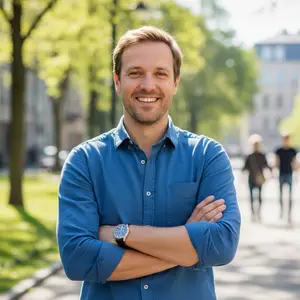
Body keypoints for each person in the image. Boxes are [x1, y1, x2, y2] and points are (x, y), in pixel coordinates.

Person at [57, 26, 241, 300]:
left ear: (175, 82)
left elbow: (221, 245)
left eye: (160, 73)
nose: (147, 85)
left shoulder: (207, 156)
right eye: (135, 73)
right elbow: (78, 259)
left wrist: (121, 234)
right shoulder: (84, 161)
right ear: (118, 81)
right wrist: (187, 242)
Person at [242, 134, 271, 222]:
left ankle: (258, 213)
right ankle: (253, 214)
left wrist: (269, 174)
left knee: (259, 197)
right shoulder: (249, 156)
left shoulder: (262, 155)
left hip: (259, 180)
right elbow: (245, 168)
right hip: (251, 179)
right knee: (251, 197)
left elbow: (266, 166)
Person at [274, 133, 298, 223]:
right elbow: (276, 162)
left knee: (290, 196)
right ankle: (281, 212)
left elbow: (295, 163)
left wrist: (296, 172)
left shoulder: (293, 150)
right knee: (280, 195)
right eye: (285, 139)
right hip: (281, 174)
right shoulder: (279, 150)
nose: (286, 141)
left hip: (289, 174)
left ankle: (289, 214)